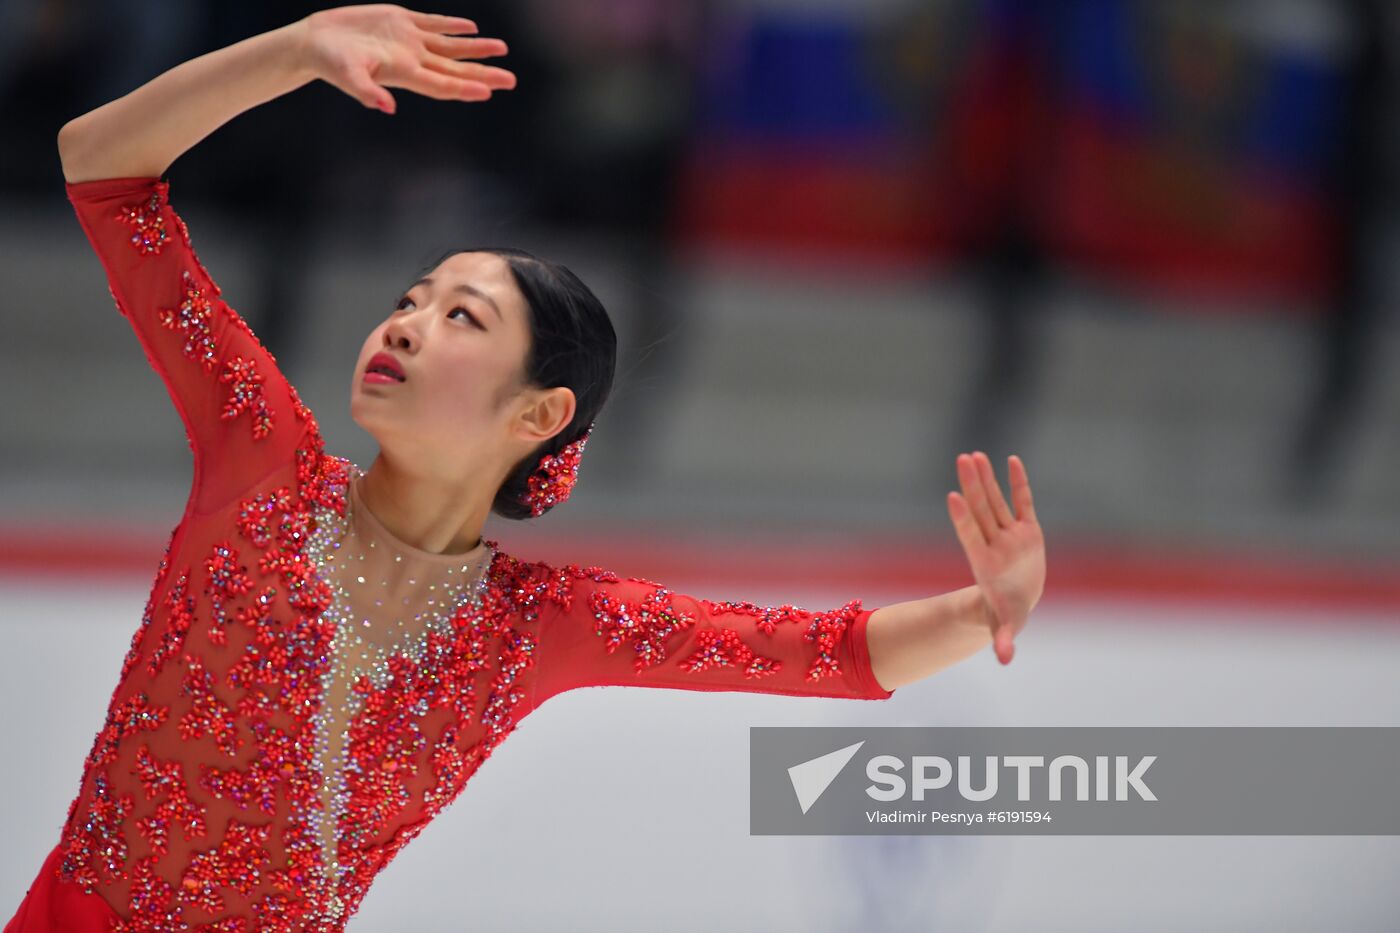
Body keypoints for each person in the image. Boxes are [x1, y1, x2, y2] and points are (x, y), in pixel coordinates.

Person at [8, 5, 1047, 930]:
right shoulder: (262, 461)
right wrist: (293, 49)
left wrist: (983, 610)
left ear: (538, 412)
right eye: (412, 298)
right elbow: (103, 169)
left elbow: (821, 652)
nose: (407, 323)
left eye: (460, 317)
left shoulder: (534, 629)